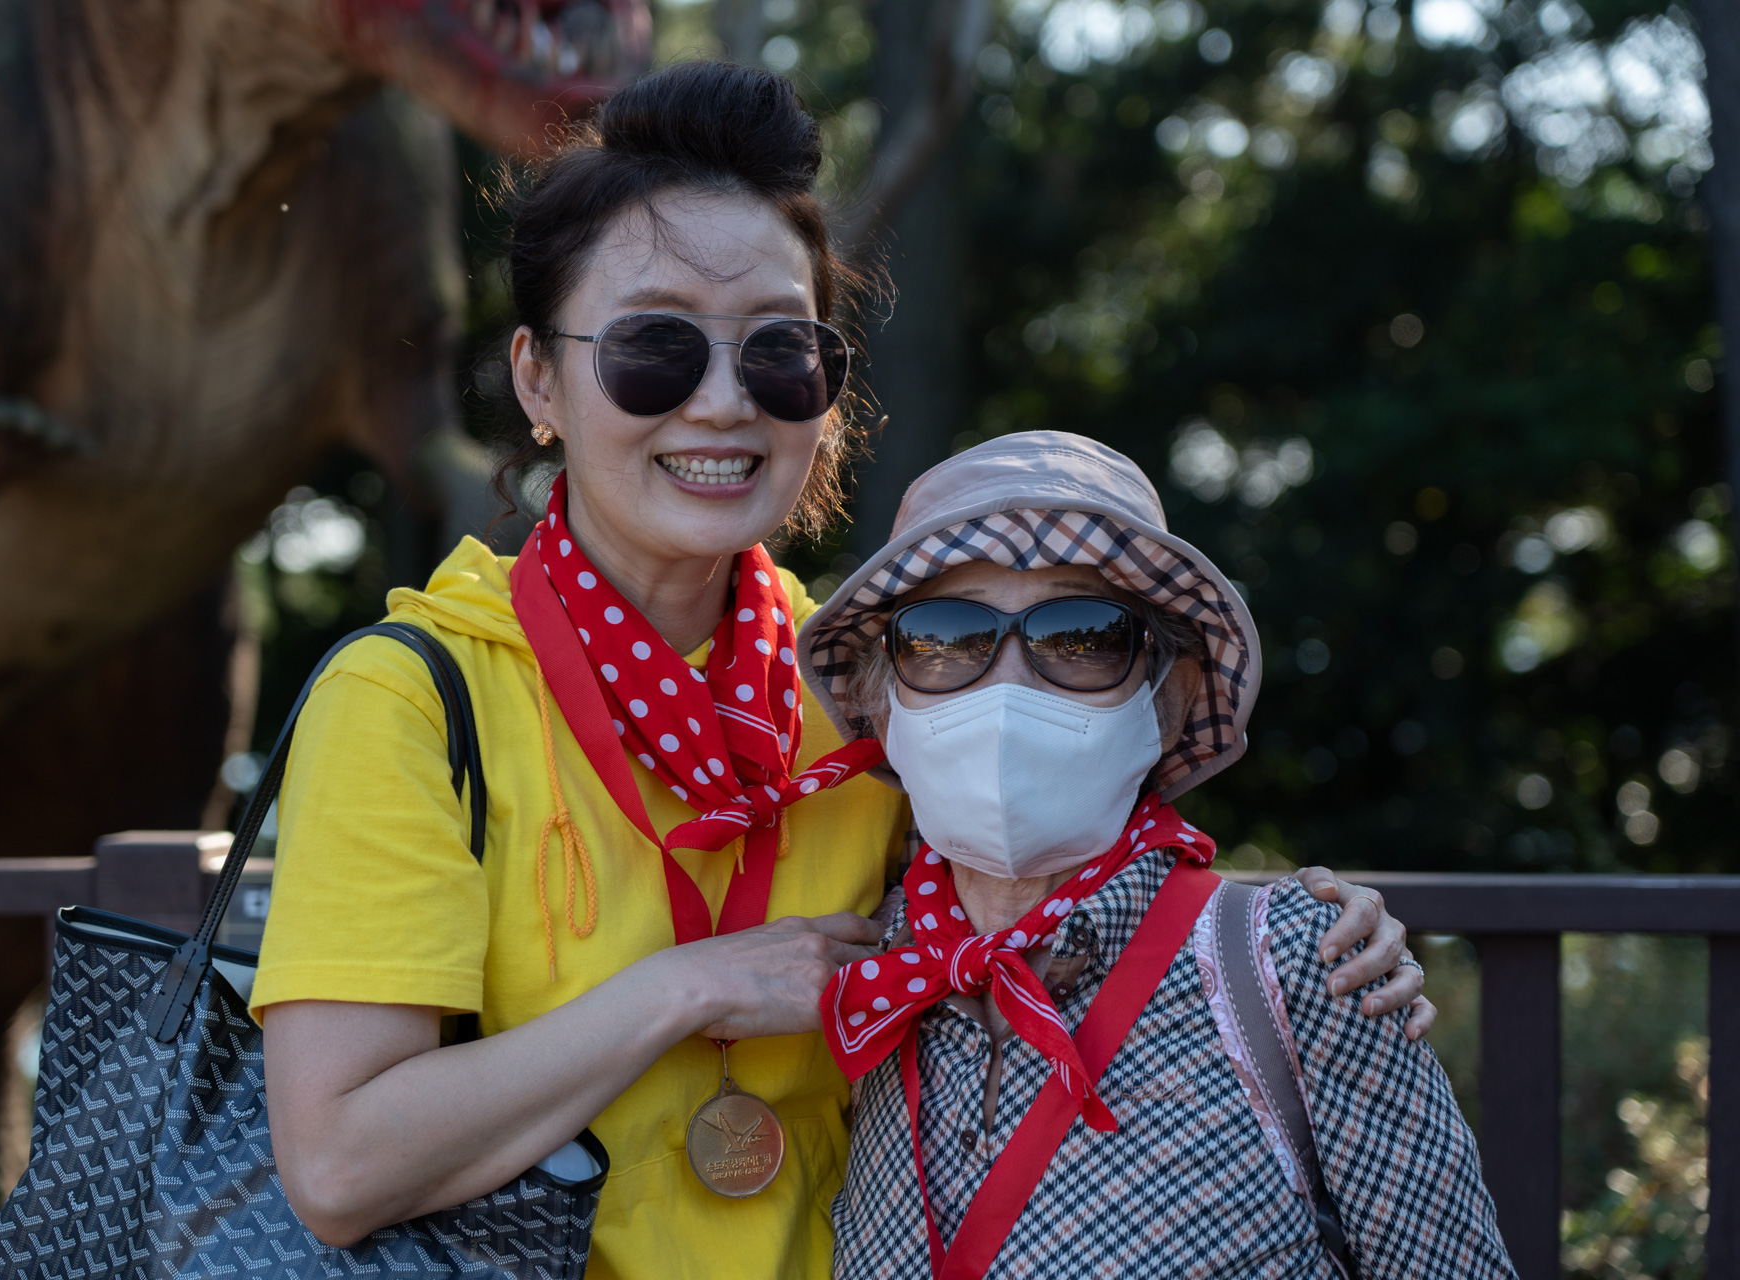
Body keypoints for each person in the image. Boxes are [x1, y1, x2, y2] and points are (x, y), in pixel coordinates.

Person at [251, 61, 1430, 1280]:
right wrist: (687, 991)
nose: (724, 403)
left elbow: (1076, 888)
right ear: (538, 378)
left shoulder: (887, 676)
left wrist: (1308, 938)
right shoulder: (411, 695)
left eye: (780, 352)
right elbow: (339, 1166)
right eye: (655, 347)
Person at [802, 431, 1512, 1279]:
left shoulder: (1301, 964)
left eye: (1083, 636)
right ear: (884, 702)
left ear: (1170, 698)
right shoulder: (863, 977)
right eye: (943, 635)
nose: (1006, 687)